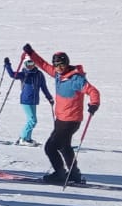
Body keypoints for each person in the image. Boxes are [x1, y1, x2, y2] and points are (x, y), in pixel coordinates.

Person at [21, 43, 101, 184]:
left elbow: (93, 91)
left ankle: (60, 174)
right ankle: (74, 174)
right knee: (64, 146)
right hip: (61, 119)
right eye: (56, 65)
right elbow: (44, 66)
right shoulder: (58, 75)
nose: (59, 68)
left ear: (67, 63)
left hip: (71, 120)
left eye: (61, 65)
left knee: (50, 147)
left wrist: (94, 103)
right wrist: (31, 53)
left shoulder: (76, 79)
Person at [4, 54, 50, 145]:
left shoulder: (39, 74)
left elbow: (43, 87)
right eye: (28, 63)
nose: (30, 65)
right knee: (32, 120)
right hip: (26, 100)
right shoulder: (23, 74)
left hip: (34, 100)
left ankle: (27, 138)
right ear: (25, 64)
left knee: (31, 120)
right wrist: (7, 65)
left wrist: (49, 97)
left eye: (32, 63)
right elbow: (12, 75)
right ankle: (23, 138)